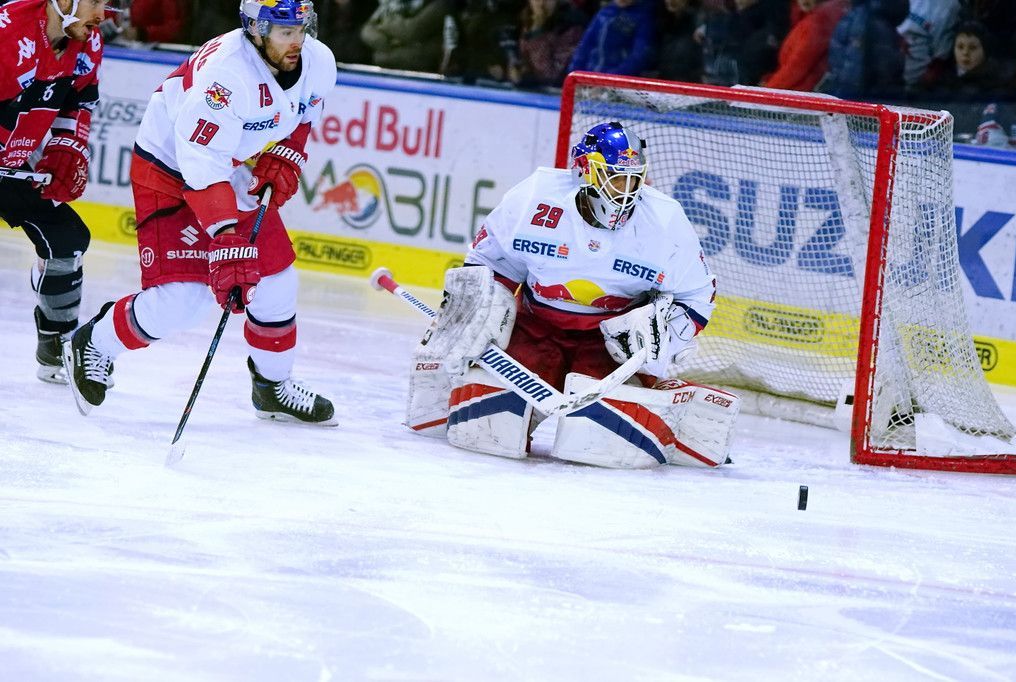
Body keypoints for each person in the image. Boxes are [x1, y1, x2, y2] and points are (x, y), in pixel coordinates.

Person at [62, 0, 338, 426]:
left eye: (301, 29)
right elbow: (200, 165)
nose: (297, 41)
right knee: (183, 301)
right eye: (286, 32)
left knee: (277, 281)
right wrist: (226, 239)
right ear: (256, 30)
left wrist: (287, 153)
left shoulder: (318, 61)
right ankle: (94, 342)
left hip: (227, 166)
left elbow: (302, 115)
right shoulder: (225, 77)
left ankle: (272, 386)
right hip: (169, 170)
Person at [405, 122, 736, 469]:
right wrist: (473, 315)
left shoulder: (665, 221)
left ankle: (669, 404)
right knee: (485, 430)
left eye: (633, 179)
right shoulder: (534, 198)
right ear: (585, 171)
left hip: (609, 345)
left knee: (604, 446)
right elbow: (489, 263)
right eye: (615, 178)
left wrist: (660, 339)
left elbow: (698, 294)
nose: (626, 191)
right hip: (535, 329)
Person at [0, 0, 111, 384]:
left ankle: (56, 343)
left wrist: (68, 146)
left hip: (11, 163)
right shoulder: (8, 34)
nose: (102, 14)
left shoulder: (87, 40)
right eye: (95, 1)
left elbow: (79, 99)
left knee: (66, 239)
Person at [760, 0, 848, 92]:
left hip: (799, 92)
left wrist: (766, 91)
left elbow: (795, 69)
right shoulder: (806, 18)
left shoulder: (816, 24)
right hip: (792, 88)